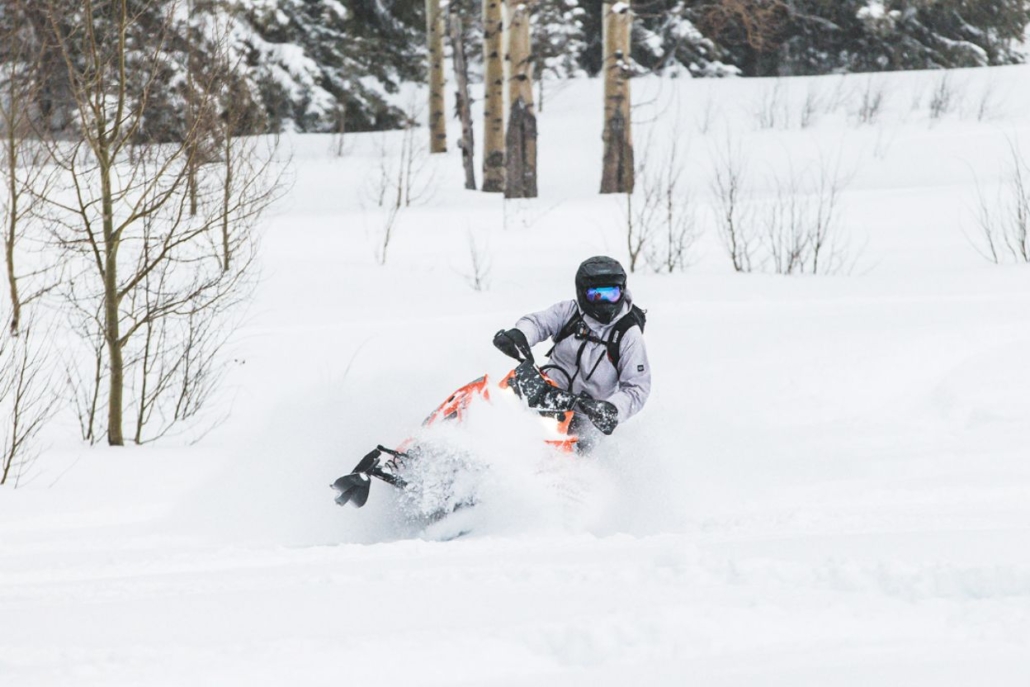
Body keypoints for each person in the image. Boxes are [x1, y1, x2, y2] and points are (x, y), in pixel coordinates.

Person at [492, 256, 651, 451]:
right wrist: (520, 335)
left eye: (611, 294)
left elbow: (637, 387)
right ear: (582, 293)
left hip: (584, 417)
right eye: (596, 295)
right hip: (544, 391)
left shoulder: (628, 334)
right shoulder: (569, 312)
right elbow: (538, 322)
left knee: (561, 461)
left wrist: (612, 409)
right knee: (499, 403)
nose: (605, 303)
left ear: (622, 291)